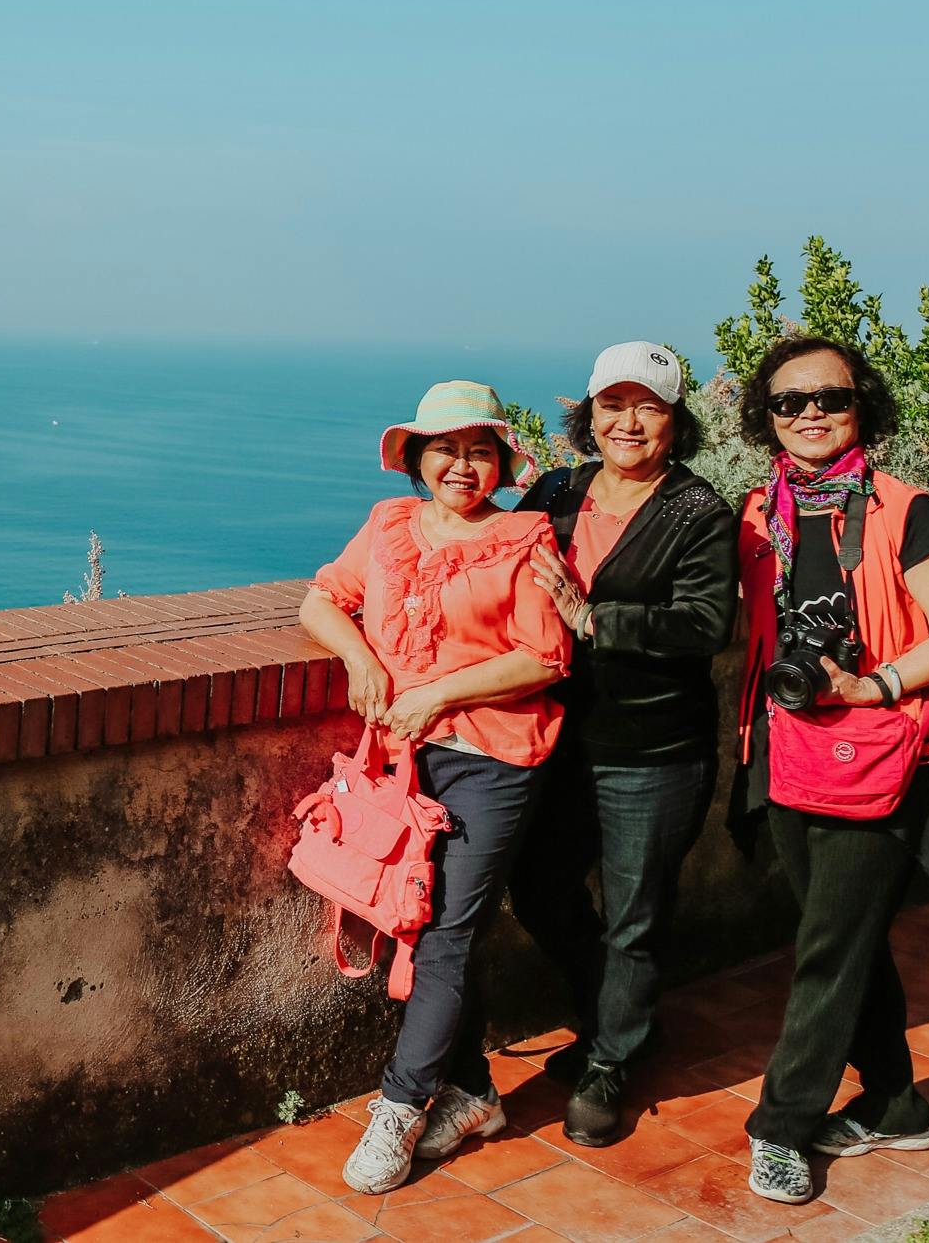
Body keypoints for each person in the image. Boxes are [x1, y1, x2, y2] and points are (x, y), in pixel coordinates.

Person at [297, 380, 574, 1196]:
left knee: (445, 932)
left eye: (480, 449)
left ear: (500, 462)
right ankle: (477, 1093)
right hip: (397, 760)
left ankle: (399, 1103)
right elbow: (322, 599)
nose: (463, 463)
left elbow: (547, 655)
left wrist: (440, 694)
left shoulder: (524, 536)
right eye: (446, 447)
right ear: (417, 457)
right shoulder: (387, 526)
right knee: (412, 923)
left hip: (492, 758)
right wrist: (362, 659)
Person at [728, 337, 929, 1206]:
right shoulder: (757, 512)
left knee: (828, 944)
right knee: (847, 936)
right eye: (789, 400)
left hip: (883, 750)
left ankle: (782, 1126)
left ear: (860, 406)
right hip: (787, 749)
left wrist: (871, 682)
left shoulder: (904, 508)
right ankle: (899, 1104)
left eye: (830, 398)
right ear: (765, 415)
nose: (809, 413)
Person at [489, 341, 739, 1148]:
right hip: (556, 737)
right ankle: (614, 1024)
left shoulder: (697, 511)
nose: (627, 422)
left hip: (652, 747)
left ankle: (609, 1062)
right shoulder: (556, 490)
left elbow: (707, 624)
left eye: (649, 407)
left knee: (636, 913)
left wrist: (596, 620)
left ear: (675, 421)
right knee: (538, 886)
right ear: (588, 414)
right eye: (612, 404)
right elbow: (494, 565)